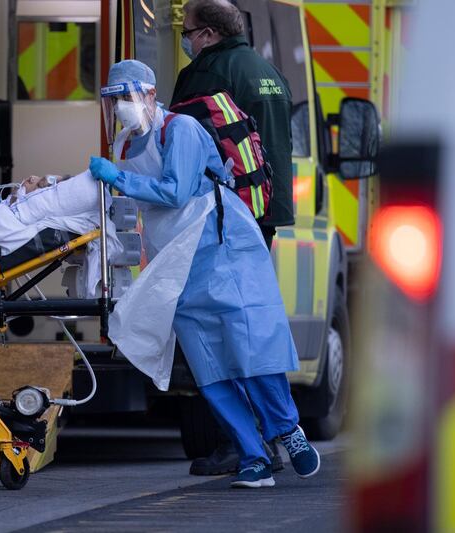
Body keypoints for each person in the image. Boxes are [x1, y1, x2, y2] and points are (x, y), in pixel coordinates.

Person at [90, 59, 319, 488]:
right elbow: (130, 209)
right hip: (177, 262)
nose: (121, 107)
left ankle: (288, 430)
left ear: (151, 95)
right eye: (114, 99)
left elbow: (176, 191)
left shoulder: (180, 131)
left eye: (127, 97)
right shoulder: (123, 145)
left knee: (250, 348)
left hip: (223, 249)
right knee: (209, 367)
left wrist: (117, 178)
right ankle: (253, 457)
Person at [171, 0, 296, 476]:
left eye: (188, 32)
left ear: (207, 34)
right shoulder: (265, 69)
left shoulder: (209, 73)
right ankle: (276, 437)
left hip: (225, 219)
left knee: (221, 333)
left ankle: (241, 443)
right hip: (262, 215)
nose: (185, 40)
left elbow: (184, 142)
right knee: (252, 327)